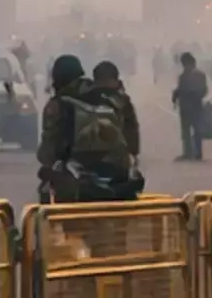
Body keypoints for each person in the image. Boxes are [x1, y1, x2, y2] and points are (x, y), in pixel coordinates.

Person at [37, 53, 139, 200]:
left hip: (77, 181)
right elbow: (131, 140)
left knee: (46, 189)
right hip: (117, 176)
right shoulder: (110, 97)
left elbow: (48, 151)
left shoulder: (57, 104)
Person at [90, 59, 142, 163]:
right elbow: (131, 129)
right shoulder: (122, 100)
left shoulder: (86, 98)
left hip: (88, 158)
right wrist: (133, 153)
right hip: (117, 157)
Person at [172, 50, 212, 160]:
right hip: (192, 106)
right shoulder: (195, 75)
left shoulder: (190, 75)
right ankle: (194, 152)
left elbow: (202, 90)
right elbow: (203, 90)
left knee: (191, 130)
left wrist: (183, 94)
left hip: (190, 106)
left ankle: (191, 153)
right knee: (193, 130)